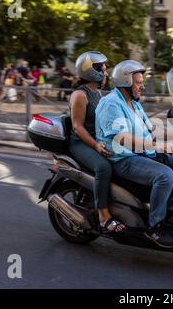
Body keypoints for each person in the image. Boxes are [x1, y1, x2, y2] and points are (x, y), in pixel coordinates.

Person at [96, 60, 173, 248]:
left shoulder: (134, 104)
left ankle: (168, 212)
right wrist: (159, 147)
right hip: (122, 158)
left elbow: (150, 130)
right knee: (165, 175)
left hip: (141, 153)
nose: (142, 86)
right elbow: (122, 138)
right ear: (125, 83)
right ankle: (154, 227)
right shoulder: (111, 104)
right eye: (138, 83)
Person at [69, 51, 125, 234]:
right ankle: (104, 216)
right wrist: (96, 146)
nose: (106, 72)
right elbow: (77, 127)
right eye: (103, 68)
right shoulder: (80, 95)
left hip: (98, 139)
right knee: (104, 167)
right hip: (81, 143)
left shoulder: (98, 93)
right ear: (92, 71)